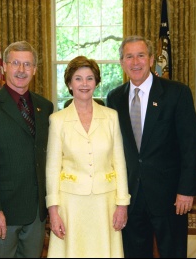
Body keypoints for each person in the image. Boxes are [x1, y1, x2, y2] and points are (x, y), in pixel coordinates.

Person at [106, 35, 196, 258]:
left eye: (141, 55)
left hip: (169, 196)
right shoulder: (114, 98)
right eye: (129, 56)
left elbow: (191, 144)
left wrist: (186, 190)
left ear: (151, 59)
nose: (135, 62)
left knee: (173, 252)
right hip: (130, 196)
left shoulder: (177, 93)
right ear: (122, 62)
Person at [0, 41, 54, 258]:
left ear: (34, 69)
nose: (21, 70)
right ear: (4, 66)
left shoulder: (46, 107)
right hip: (2, 212)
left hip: (36, 214)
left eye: (27, 64)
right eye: (15, 63)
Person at [45, 55, 131, 257]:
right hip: (71, 204)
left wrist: (122, 204)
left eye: (89, 78)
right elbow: (52, 168)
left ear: (96, 82)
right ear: (69, 83)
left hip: (105, 203)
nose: (84, 84)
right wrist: (53, 210)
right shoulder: (57, 120)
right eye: (78, 78)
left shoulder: (111, 117)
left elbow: (119, 163)